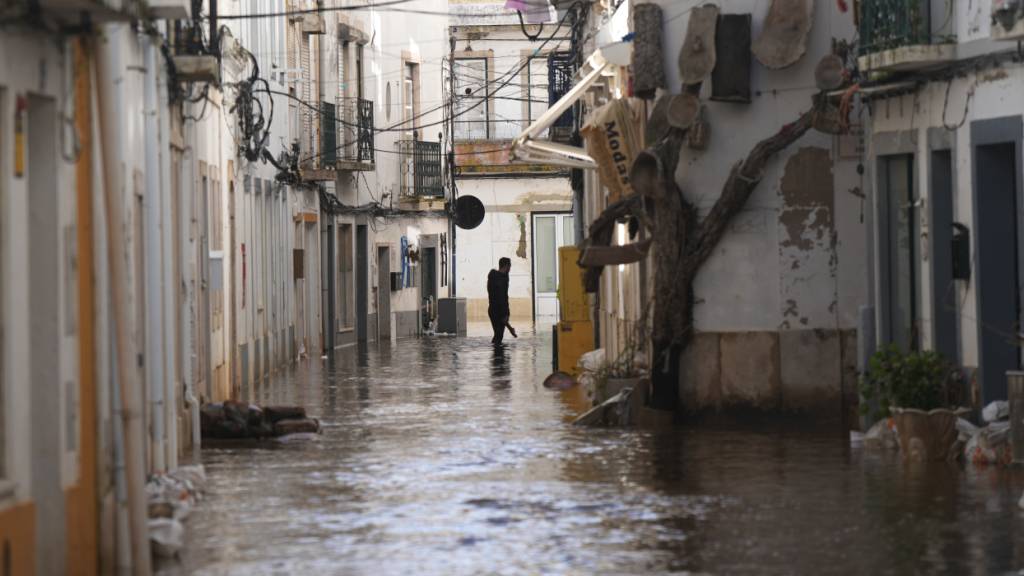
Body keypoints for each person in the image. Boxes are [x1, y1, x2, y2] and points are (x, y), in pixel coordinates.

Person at [487, 257, 517, 344]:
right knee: (498, 336)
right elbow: (502, 297)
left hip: (493, 310)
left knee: (498, 335)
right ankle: (497, 356)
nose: (510, 269)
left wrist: (509, 327)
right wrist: (505, 314)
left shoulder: (494, 277)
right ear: (506, 266)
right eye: (510, 266)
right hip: (498, 310)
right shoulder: (501, 279)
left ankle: (497, 356)